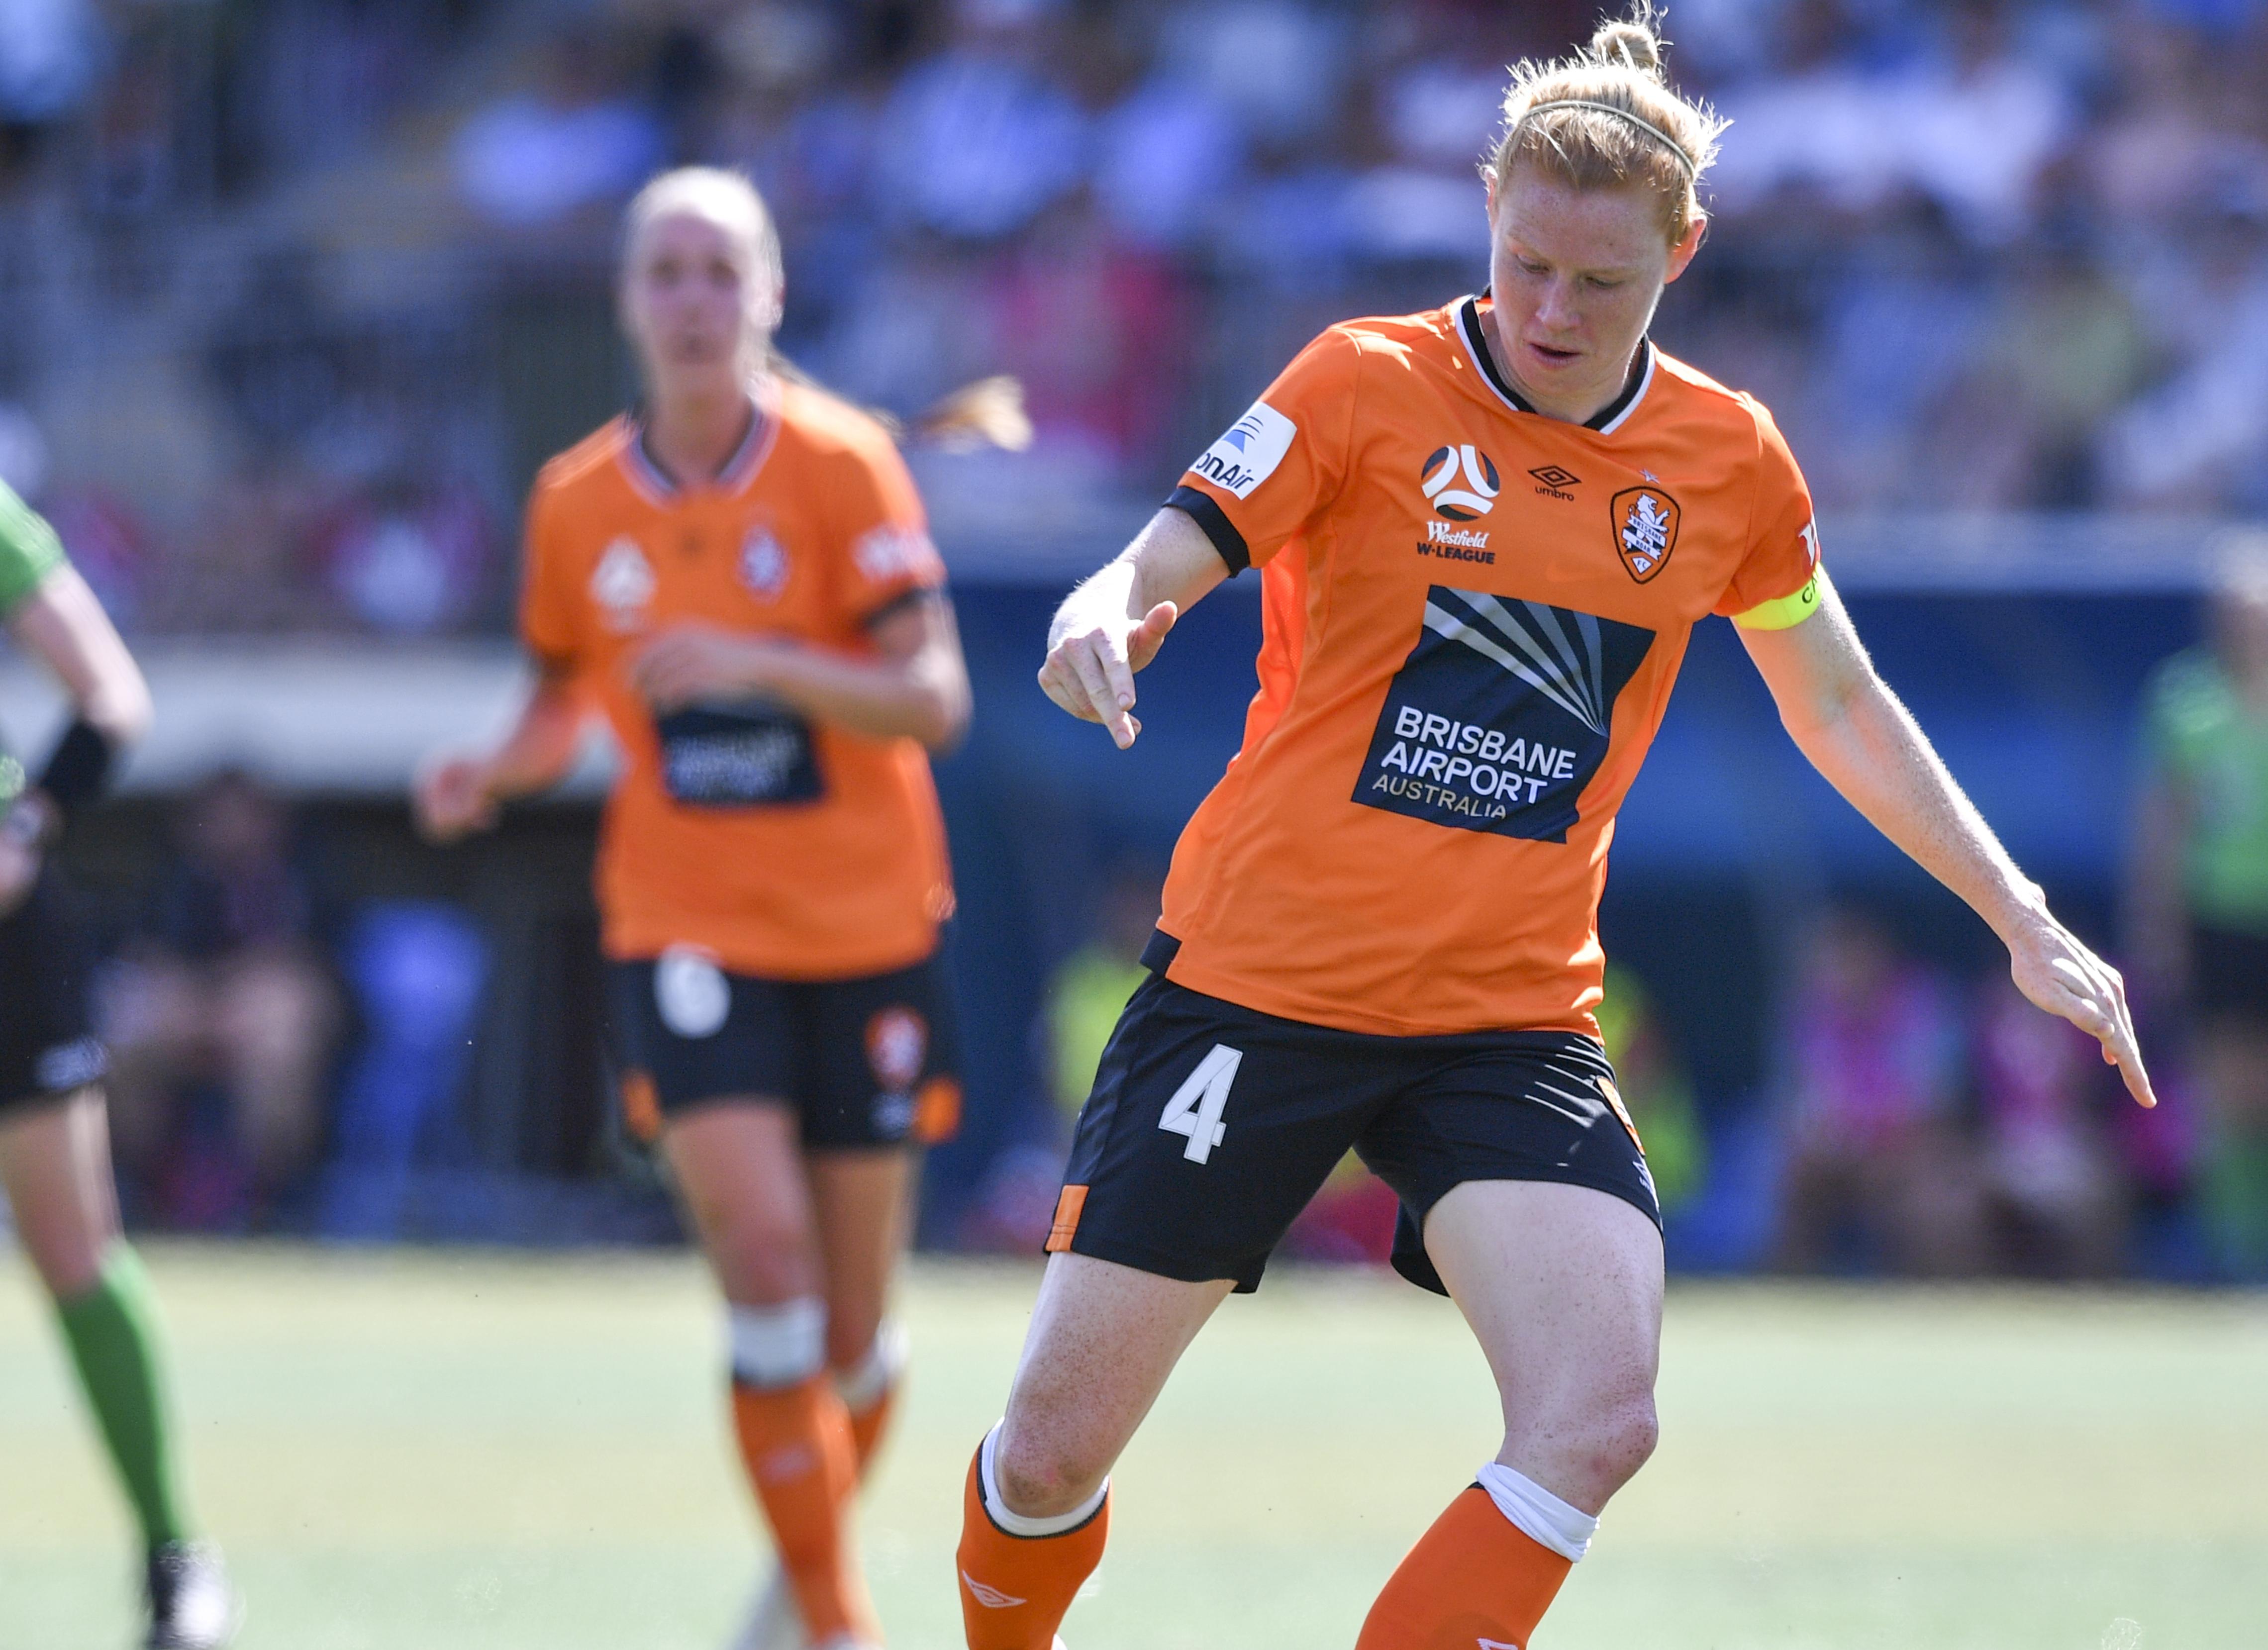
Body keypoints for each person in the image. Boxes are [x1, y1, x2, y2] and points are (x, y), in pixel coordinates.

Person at [963, 14, 2155, 1650]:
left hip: (1502, 1019)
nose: (1545, 309)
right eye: (1522, 263)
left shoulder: (1727, 462)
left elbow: (1839, 703)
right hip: (1256, 986)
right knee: (1043, 1455)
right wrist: (1110, 607)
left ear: (1683, 250)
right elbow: (1171, 541)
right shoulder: (1359, 381)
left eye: (1597, 283)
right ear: (1485, 213)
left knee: (1596, 1414)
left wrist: (2021, 915)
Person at [414, 166, 972, 1650]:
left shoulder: (845, 465)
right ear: (624, 300)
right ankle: (840, 1619)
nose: (692, 299)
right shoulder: (573, 502)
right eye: (664, 270)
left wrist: (757, 660)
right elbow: (558, 700)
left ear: (772, 294)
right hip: (684, 930)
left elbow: (933, 698)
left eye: (721, 270)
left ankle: (795, 1580)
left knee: (853, 1336)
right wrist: (493, 768)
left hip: (866, 931)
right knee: (767, 1263)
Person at [0, 478, 238, 1648]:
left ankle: (172, 1550)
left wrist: (24, 827)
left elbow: (110, 697)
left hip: (8, 937)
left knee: (73, 1247)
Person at [101, 769, 340, 1228]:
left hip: (267, 1031)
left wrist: (240, 1000)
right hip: (188, 1020)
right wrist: (200, 1005)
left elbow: (319, 974)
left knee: (279, 1044)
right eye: (218, 816)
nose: (231, 828)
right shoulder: (176, 883)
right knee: (124, 1045)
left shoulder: (304, 880)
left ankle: (268, 1207)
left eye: (244, 816)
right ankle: (142, 1196)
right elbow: (144, 957)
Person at [2131, 548, 2268, 1277]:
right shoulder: (2187, 699)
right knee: (2224, 1089)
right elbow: (2164, 824)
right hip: (2219, 915)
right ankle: (2231, 1249)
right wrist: (2159, 927)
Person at [1772, 905, 1982, 1276]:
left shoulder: (1924, 1003)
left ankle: (1930, 1292)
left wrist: (1881, 1142)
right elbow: (1803, 1104)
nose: (1839, 972)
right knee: (1794, 1170)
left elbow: (1938, 1102)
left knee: (1933, 1194)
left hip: (1913, 1145)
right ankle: (1791, 1288)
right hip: (1841, 1149)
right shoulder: (1811, 1012)